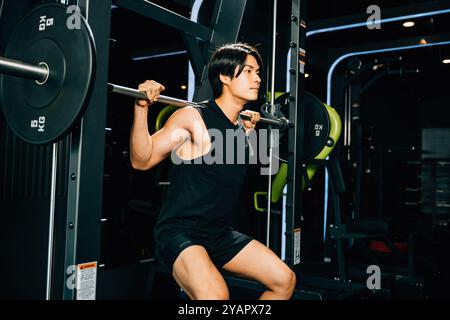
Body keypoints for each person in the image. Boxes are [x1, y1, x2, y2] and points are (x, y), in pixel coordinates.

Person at [130, 43, 296, 300]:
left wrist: (245, 132)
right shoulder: (191, 117)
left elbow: (224, 160)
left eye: (258, 72)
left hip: (219, 232)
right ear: (225, 76)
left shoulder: (240, 126)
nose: (258, 78)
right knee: (216, 296)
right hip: (180, 232)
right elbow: (142, 161)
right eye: (249, 71)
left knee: (284, 280)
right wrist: (141, 109)